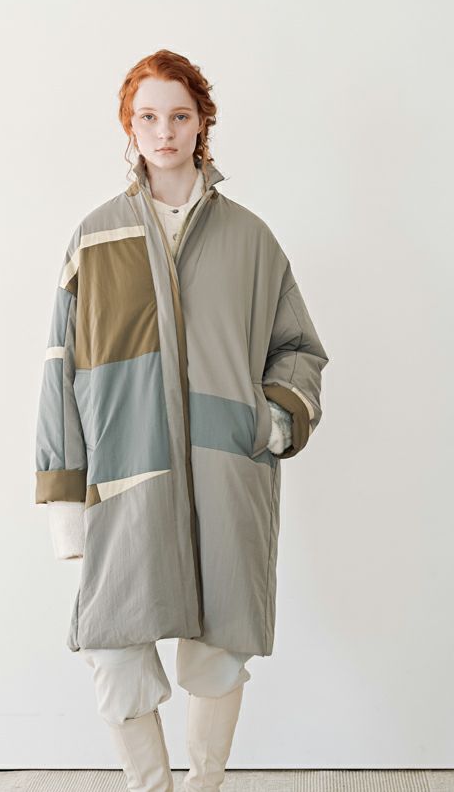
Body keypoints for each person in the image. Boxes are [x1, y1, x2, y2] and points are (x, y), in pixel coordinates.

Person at [34, 49, 329, 791]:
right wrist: (64, 498)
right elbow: (59, 371)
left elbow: (298, 347)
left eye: (179, 116)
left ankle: (204, 783)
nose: (163, 132)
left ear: (203, 124)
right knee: (113, 644)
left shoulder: (251, 239)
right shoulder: (95, 236)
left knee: (220, 647)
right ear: (128, 127)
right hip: (124, 476)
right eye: (148, 117)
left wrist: (272, 424)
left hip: (228, 470)